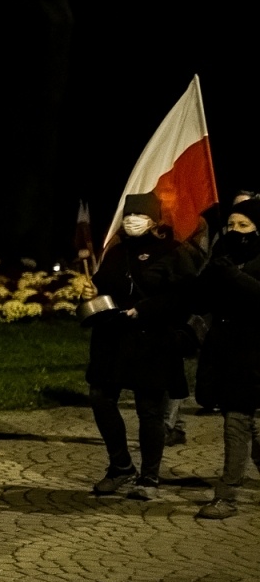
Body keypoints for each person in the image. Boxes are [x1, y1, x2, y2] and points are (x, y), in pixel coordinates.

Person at [86, 192, 200, 501]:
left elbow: (186, 295)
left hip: (152, 340)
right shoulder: (115, 253)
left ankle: (149, 477)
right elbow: (103, 288)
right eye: (127, 216)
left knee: (149, 410)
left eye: (138, 216)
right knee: (100, 396)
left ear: (154, 221)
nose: (131, 221)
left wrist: (146, 309)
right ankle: (120, 465)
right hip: (113, 338)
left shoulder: (173, 252)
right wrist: (89, 292)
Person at [192, 199, 260, 519]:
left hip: (255, 351)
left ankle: (226, 495)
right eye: (231, 225)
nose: (235, 231)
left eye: (243, 225)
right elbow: (202, 297)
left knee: (237, 422)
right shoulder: (223, 253)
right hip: (226, 351)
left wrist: (233, 275)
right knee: (246, 425)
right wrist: (210, 272)